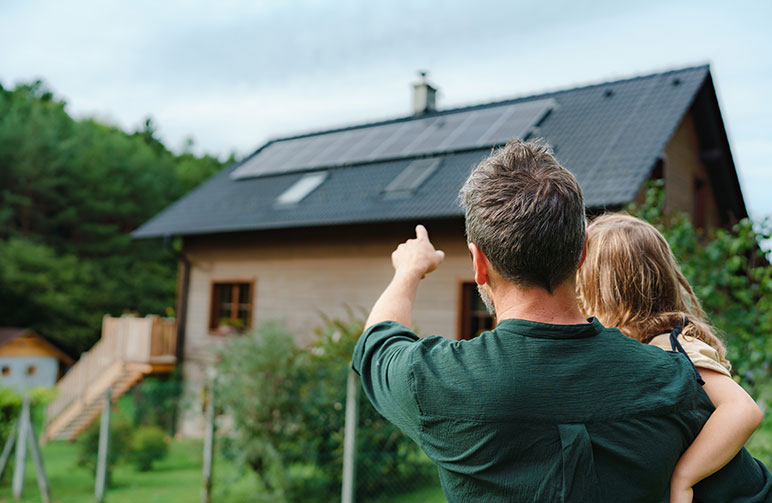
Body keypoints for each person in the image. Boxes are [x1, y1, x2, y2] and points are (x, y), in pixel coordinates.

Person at [351, 139, 772, 502]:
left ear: (479, 264)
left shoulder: (436, 381)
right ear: (581, 253)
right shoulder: (673, 381)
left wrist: (409, 269)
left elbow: (378, 341)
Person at [576, 213, 764, 503]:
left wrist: (684, 477)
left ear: (603, 290)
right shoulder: (637, 346)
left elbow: (742, 410)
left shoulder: (673, 345)